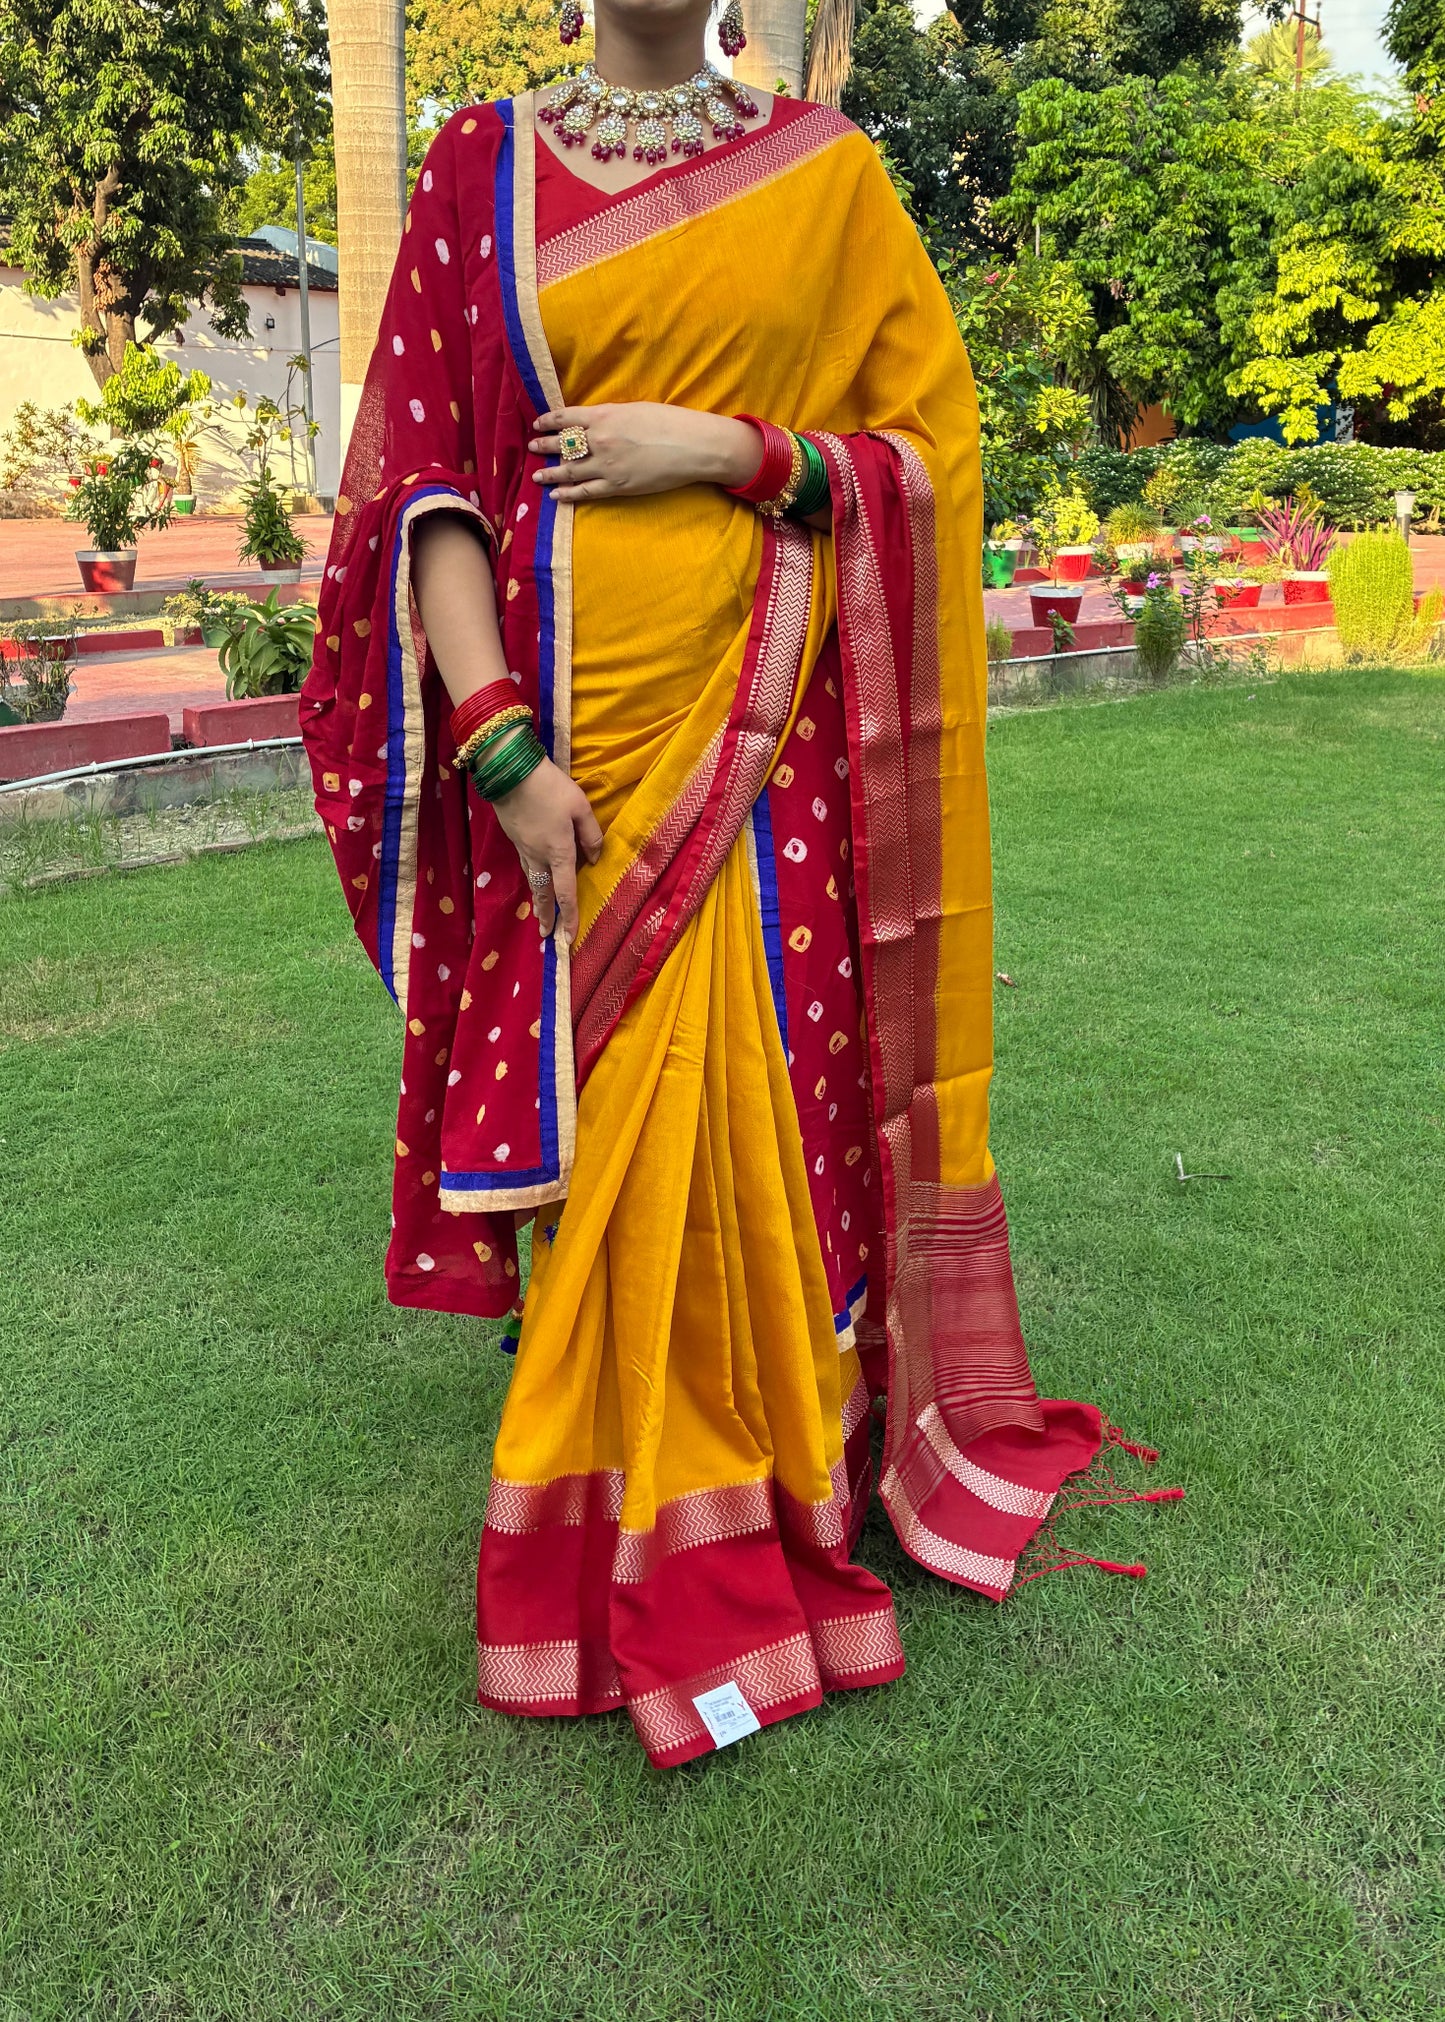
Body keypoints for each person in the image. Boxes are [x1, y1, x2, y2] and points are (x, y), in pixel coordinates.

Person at [304, 0, 1169, 1769]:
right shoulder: (476, 165)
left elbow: (925, 460)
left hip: (770, 749)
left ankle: (766, 1493)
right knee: (603, 1121)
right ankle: (608, 1496)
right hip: (561, 745)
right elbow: (422, 485)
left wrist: (730, 450)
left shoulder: (828, 179)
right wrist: (495, 745)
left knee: (759, 1117)